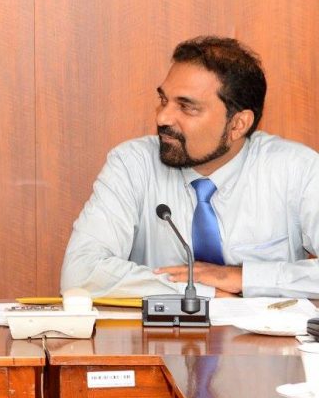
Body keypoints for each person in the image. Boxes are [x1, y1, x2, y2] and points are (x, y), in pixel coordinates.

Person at [61, 36, 319, 298]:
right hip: (164, 327)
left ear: (237, 124)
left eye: (186, 107)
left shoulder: (297, 169)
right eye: (164, 100)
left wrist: (242, 278)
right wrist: (201, 291)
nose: (163, 118)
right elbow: (79, 273)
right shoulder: (133, 164)